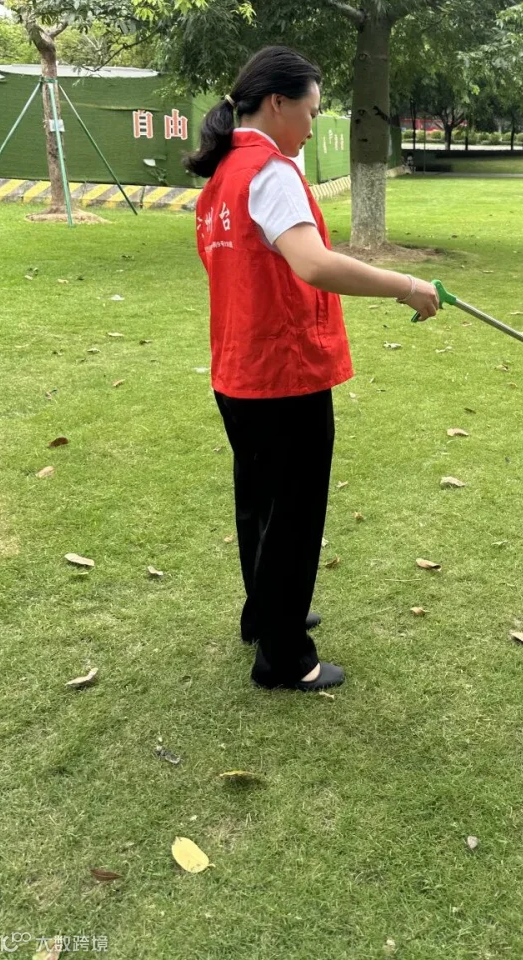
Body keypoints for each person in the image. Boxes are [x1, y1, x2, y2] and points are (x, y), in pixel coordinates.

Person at [187, 46, 439, 692]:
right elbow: (314, 263)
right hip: (282, 373)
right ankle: (285, 656)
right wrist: (407, 285)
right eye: (310, 110)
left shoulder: (224, 174)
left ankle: (266, 614)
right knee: (293, 514)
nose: (311, 125)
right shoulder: (269, 172)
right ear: (278, 103)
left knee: (260, 503)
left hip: (239, 370)